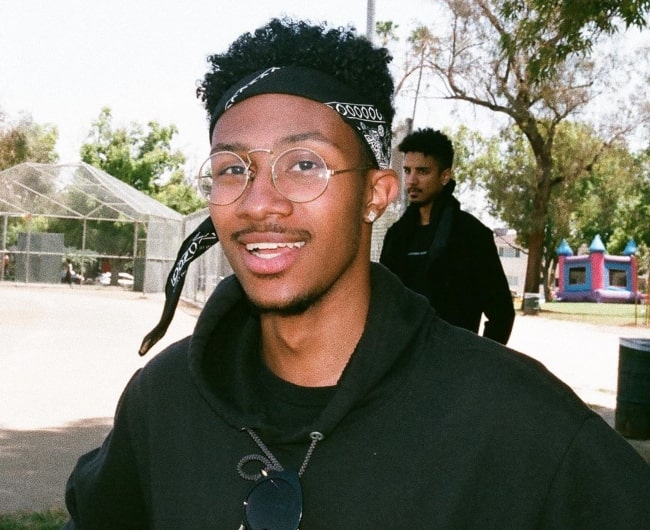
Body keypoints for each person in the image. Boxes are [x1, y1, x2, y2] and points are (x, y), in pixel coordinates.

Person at [63, 18, 650, 530]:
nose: (259, 201)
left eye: (304, 164)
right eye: (231, 168)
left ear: (375, 194)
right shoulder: (163, 403)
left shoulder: (519, 424)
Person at [380, 128, 515, 344]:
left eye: (423, 171)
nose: (412, 181)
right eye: (407, 171)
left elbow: (501, 313)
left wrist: (476, 365)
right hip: (402, 365)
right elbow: (383, 306)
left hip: (452, 364)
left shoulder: (472, 235)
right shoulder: (396, 236)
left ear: (444, 176)